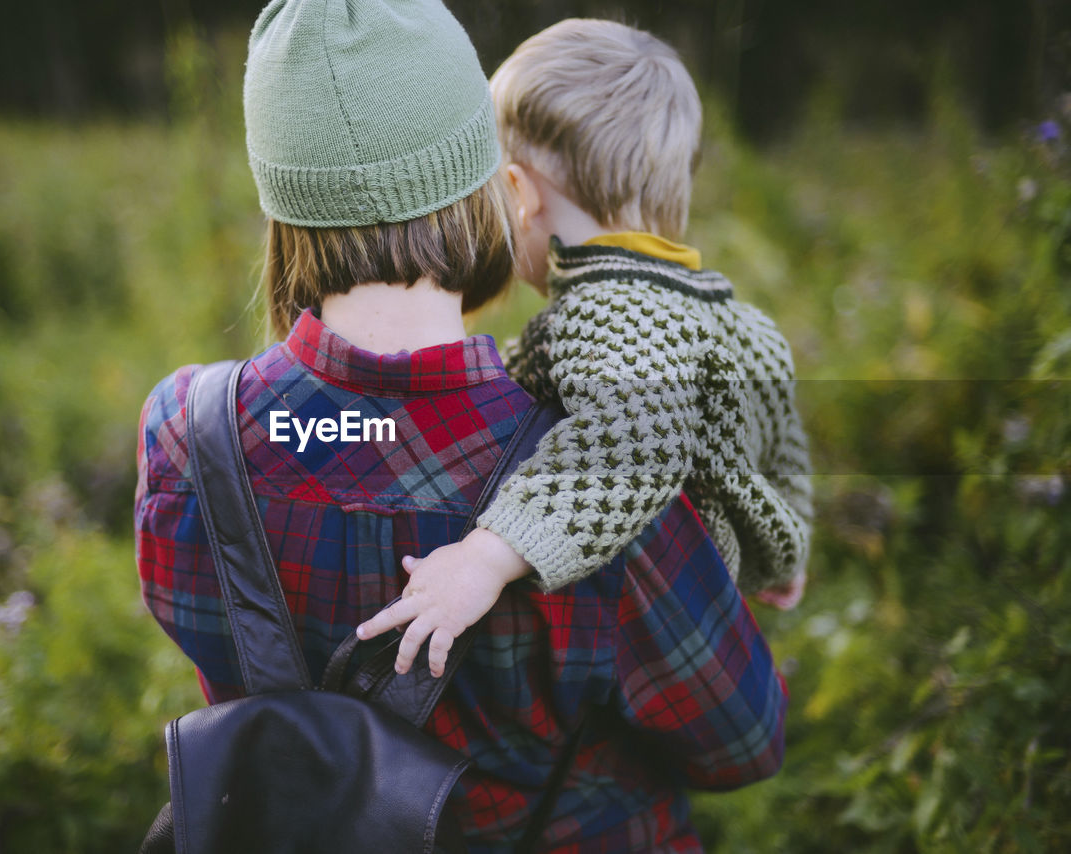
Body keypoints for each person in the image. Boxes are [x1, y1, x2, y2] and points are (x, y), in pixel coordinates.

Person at [136, 1, 787, 849]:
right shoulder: (595, 474)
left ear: (284, 205)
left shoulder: (187, 434)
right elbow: (743, 740)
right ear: (494, 187)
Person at [359, 19, 814, 679]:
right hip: (708, 631)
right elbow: (787, 461)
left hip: (635, 644)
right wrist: (784, 556)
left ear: (518, 195)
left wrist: (488, 555)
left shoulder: (609, 310)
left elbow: (643, 432)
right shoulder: (747, 326)